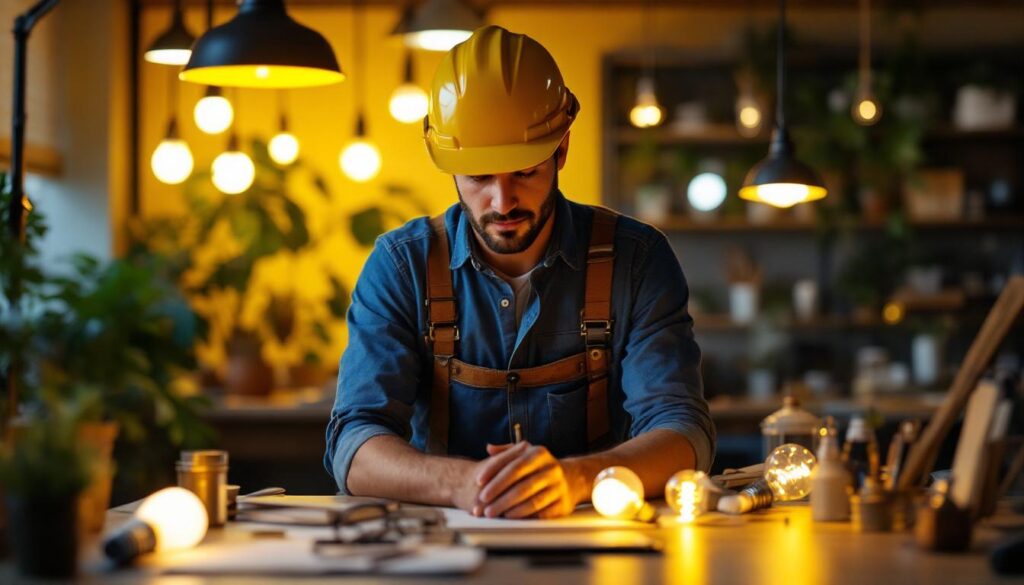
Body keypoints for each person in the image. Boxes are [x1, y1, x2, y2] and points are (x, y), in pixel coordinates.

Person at [324, 25, 714, 519]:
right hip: (440, 544)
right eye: (479, 176)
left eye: (525, 171)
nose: (502, 201)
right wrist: (465, 484)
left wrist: (576, 479)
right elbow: (355, 443)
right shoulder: (401, 267)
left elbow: (682, 430)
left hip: (596, 535)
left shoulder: (636, 260)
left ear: (561, 150)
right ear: (450, 168)